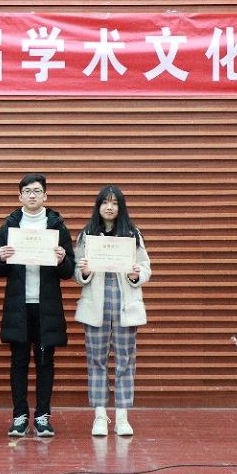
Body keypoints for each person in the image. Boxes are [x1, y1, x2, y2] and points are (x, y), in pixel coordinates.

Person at [0, 173, 75, 437]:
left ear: (45, 195)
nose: (32, 195)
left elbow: (69, 271)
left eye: (37, 191)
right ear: (20, 196)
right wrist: (1, 258)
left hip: (46, 306)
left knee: (45, 362)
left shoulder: (57, 227)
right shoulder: (9, 226)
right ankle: (19, 416)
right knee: (18, 362)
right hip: (19, 306)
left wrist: (62, 260)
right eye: (27, 191)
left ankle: (42, 417)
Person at [74, 184, 151, 437]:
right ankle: (100, 416)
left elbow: (146, 267)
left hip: (124, 305)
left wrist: (136, 274)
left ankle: (122, 417)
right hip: (95, 306)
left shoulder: (132, 234)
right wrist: (84, 272)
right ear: (98, 206)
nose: (109, 207)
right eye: (105, 202)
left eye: (114, 203)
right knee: (96, 360)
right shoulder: (87, 234)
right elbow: (76, 271)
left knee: (125, 361)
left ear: (121, 207)